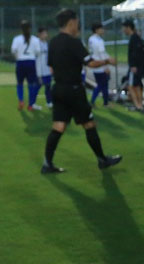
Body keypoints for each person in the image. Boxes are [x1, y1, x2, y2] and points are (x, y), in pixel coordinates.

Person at [41, 9, 121, 174]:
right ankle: (102, 159)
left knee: (59, 126)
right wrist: (107, 61)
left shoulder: (53, 42)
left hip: (58, 88)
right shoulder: (74, 42)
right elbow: (90, 63)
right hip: (74, 90)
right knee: (89, 124)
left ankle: (47, 163)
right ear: (71, 23)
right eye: (77, 23)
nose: (78, 26)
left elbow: (51, 67)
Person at [11, 20, 43, 111]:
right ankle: (30, 104)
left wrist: (18, 58)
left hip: (20, 62)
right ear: (30, 28)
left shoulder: (17, 39)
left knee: (20, 83)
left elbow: (13, 50)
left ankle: (21, 100)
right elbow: (38, 52)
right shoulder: (35, 39)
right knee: (31, 84)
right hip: (31, 62)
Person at [122, 20, 144, 111]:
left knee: (132, 86)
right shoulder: (135, 37)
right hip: (136, 66)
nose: (123, 30)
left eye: (124, 28)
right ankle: (139, 104)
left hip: (134, 67)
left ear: (128, 28)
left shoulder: (134, 38)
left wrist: (133, 65)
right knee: (136, 85)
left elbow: (135, 53)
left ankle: (138, 105)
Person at [87, 23, 112, 107]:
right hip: (101, 65)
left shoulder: (91, 39)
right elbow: (102, 54)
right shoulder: (99, 41)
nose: (103, 30)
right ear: (97, 30)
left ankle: (104, 102)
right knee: (102, 85)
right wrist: (106, 67)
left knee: (102, 84)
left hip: (94, 64)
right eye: (101, 29)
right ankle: (98, 101)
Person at [35, 27, 53, 109]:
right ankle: (33, 103)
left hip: (47, 69)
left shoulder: (46, 43)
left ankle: (49, 102)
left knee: (48, 86)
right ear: (39, 34)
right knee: (37, 86)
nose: (45, 35)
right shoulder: (36, 43)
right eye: (43, 33)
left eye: (46, 33)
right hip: (39, 69)